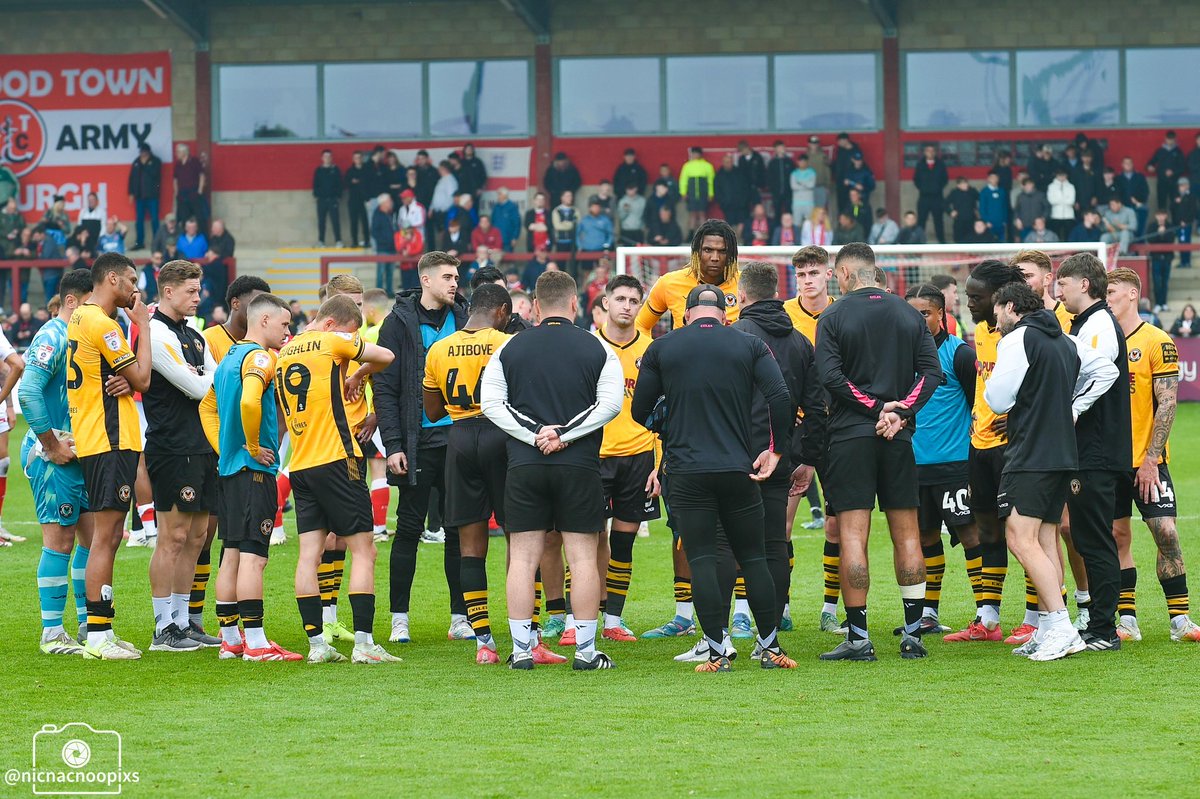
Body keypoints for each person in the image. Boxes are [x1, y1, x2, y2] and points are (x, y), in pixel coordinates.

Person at [629, 283, 795, 673]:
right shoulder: (747, 344)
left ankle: (719, 652)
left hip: (687, 471)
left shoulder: (662, 346)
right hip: (738, 468)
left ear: (685, 315)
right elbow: (781, 397)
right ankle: (770, 648)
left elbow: (640, 410)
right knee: (753, 557)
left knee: (702, 558)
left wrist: (669, 425)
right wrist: (775, 450)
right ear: (724, 315)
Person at [481, 270, 624, 670]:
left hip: (526, 463)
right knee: (582, 558)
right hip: (578, 464)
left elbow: (490, 404)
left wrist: (534, 435)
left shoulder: (509, 348)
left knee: (523, 558)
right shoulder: (598, 348)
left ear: (537, 307)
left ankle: (522, 651)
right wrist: (564, 435)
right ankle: (585, 651)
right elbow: (610, 405)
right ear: (576, 304)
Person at [814, 243, 942, 662]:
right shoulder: (909, 313)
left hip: (850, 436)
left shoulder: (832, 315)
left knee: (853, 535)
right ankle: (912, 635)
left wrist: (874, 408)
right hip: (899, 438)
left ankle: (859, 638)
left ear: (846, 274)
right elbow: (931, 373)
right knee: (907, 533)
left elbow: (830, 377)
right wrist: (900, 411)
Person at [983, 281, 1115, 661]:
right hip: (1062, 452)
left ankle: (1060, 626)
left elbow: (996, 399)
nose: (996, 321)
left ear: (1010, 307)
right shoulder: (1066, 340)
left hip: (1031, 453)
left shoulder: (1017, 340)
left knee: (1020, 538)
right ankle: (1049, 628)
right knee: (1044, 538)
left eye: (997, 313)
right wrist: (1071, 407)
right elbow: (1105, 369)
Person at [275, 294, 398, 664]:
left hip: (301, 463)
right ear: (331, 324)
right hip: (338, 458)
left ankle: (316, 646)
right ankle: (363, 644)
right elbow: (386, 357)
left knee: (308, 555)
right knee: (364, 550)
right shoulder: (331, 341)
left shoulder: (285, 350)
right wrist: (359, 371)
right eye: (349, 332)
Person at [375, 252, 473, 644]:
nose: (454, 283)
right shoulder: (397, 322)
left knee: (458, 530)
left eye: (457, 277)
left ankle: (460, 616)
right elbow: (384, 388)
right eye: (448, 277)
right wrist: (394, 443)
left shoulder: (466, 319)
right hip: (416, 443)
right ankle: (400, 619)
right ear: (426, 280)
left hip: (461, 439)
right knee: (409, 529)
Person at [198, 292, 299, 661]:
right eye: (285, 324)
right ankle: (256, 643)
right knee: (255, 557)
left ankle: (231, 640)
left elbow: (206, 406)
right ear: (265, 321)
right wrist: (254, 446)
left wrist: (225, 447)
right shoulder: (260, 357)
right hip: (253, 471)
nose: (288, 331)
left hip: (229, 470)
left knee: (232, 554)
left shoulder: (229, 359)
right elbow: (249, 401)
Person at [420, 283, 516, 665]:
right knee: (521, 539)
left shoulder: (439, 348)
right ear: (503, 312)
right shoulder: (505, 343)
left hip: (459, 439)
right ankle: (528, 630)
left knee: (470, 546)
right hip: (501, 434)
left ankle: (483, 643)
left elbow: (430, 411)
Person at [732, 262, 826, 645]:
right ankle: (769, 635)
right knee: (774, 542)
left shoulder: (735, 335)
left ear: (741, 295)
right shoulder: (800, 342)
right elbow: (816, 407)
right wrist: (806, 457)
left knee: (729, 542)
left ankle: (725, 629)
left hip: (736, 456)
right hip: (782, 456)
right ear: (776, 293)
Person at [1105, 268, 1200, 643]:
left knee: (1167, 532)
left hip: (1148, 461)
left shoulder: (1158, 341)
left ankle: (1180, 618)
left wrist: (1151, 459)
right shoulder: (1099, 340)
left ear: (1132, 294)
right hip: (1108, 462)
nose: (1107, 296)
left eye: (1112, 290)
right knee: (1117, 536)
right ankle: (1126, 619)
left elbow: (1168, 403)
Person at [68, 253, 153, 660]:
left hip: (94, 436)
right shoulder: (105, 324)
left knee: (110, 535)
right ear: (112, 278)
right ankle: (98, 636)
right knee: (107, 536)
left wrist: (120, 375)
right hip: (109, 438)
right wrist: (145, 329)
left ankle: (101, 628)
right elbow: (143, 380)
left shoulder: (80, 317)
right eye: (132, 280)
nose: (136, 288)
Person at [943, 261, 1027, 644]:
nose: (968, 302)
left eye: (976, 297)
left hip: (1015, 448)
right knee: (987, 529)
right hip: (979, 445)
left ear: (999, 297)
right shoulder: (978, 331)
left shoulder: (1026, 331)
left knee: (1024, 534)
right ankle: (988, 619)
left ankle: (1037, 617)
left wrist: (1022, 416)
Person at [142, 261, 220, 652]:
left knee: (197, 537)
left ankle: (182, 620)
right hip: (172, 445)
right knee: (172, 536)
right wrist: (207, 379)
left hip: (204, 444)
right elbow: (197, 386)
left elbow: (217, 380)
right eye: (191, 291)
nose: (197, 297)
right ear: (168, 291)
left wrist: (208, 379)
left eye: (198, 290)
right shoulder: (154, 333)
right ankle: (162, 628)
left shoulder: (194, 334)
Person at [1058, 253, 1132, 651]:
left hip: (1097, 450)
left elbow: (1101, 374)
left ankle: (1104, 629)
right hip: (1091, 449)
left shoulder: (1100, 322)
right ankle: (1099, 624)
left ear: (1084, 284)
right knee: (1088, 536)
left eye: (1063, 284)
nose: (1059, 292)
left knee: (1096, 539)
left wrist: (1070, 410)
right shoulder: (1088, 322)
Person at [902, 284, 979, 635]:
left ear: (940, 314)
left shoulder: (959, 354)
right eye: (911, 313)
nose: (917, 320)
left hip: (955, 465)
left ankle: (986, 611)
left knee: (970, 535)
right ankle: (928, 613)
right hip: (912, 465)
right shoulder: (899, 356)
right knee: (924, 537)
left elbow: (977, 406)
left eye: (924, 313)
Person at [22, 268, 91, 654]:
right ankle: (51, 633)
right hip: (53, 451)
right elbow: (29, 391)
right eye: (90, 302)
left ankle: (86, 624)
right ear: (71, 301)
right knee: (60, 539)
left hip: (79, 450)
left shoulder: (83, 336)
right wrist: (50, 444)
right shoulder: (52, 335)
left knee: (92, 537)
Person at [593, 275, 662, 643]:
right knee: (586, 539)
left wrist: (659, 463)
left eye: (633, 300)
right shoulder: (588, 347)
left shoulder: (652, 350)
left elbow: (663, 412)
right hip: (593, 456)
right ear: (605, 302)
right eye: (619, 298)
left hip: (638, 458)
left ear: (640, 305)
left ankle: (613, 620)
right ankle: (579, 620)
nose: (626, 306)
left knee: (623, 541)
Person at [636, 219, 741, 334]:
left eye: (723, 251)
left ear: (731, 254)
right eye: (708, 250)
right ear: (696, 252)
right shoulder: (669, 283)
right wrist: (656, 351)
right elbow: (641, 325)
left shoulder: (745, 285)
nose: (715, 257)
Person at [128, 143, 162, 250]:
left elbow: (155, 174)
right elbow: (131, 178)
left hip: (152, 196)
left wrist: (145, 165)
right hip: (139, 196)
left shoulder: (156, 161)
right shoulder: (136, 162)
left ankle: (157, 243)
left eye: (143, 152)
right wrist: (131, 193)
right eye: (140, 152)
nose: (141, 154)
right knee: (139, 220)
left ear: (148, 152)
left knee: (154, 220)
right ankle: (140, 243)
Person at [913, 144, 949, 242]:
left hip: (937, 197)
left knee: (938, 221)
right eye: (928, 150)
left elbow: (945, 179)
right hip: (924, 197)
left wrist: (937, 188)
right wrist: (923, 188)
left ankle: (942, 242)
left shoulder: (941, 164)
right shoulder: (920, 164)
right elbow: (916, 180)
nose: (930, 153)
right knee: (921, 221)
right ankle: (919, 242)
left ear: (935, 152)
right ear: (925, 152)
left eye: (932, 151)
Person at [1148, 131, 1188, 212]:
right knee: (1161, 204)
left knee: (1175, 204)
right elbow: (1151, 162)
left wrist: (1173, 172)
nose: (1170, 141)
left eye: (1172, 139)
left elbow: (1183, 167)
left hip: (1174, 182)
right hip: (1162, 181)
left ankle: (1175, 223)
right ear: (1165, 139)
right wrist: (1150, 166)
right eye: (1168, 139)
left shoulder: (1178, 151)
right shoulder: (1160, 151)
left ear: (1175, 139)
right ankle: (1162, 223)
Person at [680, 147, 715, 235]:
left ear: (700, 154)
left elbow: (711, 181)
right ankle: (691, 233)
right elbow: (683, 180)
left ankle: (703, 233)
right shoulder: (687, 166)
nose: (695, 155)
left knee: (702, 213)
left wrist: (711, 193)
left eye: (696, 153)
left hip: (703, 192)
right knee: (692, 214)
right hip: (691, 193)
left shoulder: (707, 166)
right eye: (693, 153)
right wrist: (683, 192)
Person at [1145, 209, 1175, 312]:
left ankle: (1164, 303)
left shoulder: (1170, 226)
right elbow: (1150, 240)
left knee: (1165, 281)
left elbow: (1171, 239)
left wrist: (1164, 233)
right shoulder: (1152, 226)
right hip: (1156, 257)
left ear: (1166, 216)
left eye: (1163, 215)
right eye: (1159, 215)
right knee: (1157, 281)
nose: (1161, 217)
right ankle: (1158, 303)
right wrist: (1158, 233)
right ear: (1156, 216)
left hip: (1167, 257)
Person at [173, 144, 206, 232]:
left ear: (184, 152)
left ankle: (204, 240)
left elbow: (202, 176)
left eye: (178, 152)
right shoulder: (178, 164)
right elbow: (175, 179)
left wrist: (200, 190)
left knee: (200, 218)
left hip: (194, 192)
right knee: (184, 218)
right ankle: (186, 240)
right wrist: (176, 192)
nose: (176, 154)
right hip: (182, 194)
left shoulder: (194, 161)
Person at [715, 154, 749, 235]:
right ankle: (732, 242)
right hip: (727, 205)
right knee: (729, 225)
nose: (728, 164)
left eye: (730, 162)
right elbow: (717, 191)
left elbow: (746, 188)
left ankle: (740, 240)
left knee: (741, 222)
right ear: (723, 163)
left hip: (740, 205)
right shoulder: (719, 175)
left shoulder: (739, 173)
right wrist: (723, 203)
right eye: (726, 162)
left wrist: (744, 201)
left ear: (732, 162)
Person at [371, 194, 398, 295]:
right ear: (383, 203)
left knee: (390, 271)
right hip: (382, 248)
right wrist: (384, 240)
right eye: (389, 201)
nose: (391, 203)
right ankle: (379, 292)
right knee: (381, 272)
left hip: (392, 248)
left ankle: (389, 291)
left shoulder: (391, 213)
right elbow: (374, 231)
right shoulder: (377, 214)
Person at [344, 151, 372, 247]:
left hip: (365, 200)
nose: (358, 159)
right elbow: (346, 183)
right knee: (353, 221)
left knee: (365, 221)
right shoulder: (350, 171)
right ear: (353, 159)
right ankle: (354, 241)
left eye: (359, 157)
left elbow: (369, 183)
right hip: (353, 200)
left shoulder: (367, 170)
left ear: (362, 158)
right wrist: (353, 182)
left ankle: (367, 241)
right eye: (356, 158)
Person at [1117, 157, 1150, 237]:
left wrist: (1139, 201)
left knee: (1140, 226)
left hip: (1138, 205)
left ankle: (1140, 243)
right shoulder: (1118, 178)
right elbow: (1117, 194)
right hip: (1124, 206)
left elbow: (1146, 191)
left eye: (1130, 163)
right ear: (1122, 165)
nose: (1128, 165)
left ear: (1133, 164)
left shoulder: (1140, 176)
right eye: (1125, 163)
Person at [766, 141, 796, 223]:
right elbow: (769, 178)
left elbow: (794, 176)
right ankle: (777, 232)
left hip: (788, 193)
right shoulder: (772, 163)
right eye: (780, 147)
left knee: (789, 212)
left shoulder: (789, 161)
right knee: (777, 214)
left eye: (783, 147)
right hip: (776, 193)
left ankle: (790, 232)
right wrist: (773, 189)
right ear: (775, 149)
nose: (782, 149)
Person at [1172, 177, 1196, 269]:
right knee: (1181, 242)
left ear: (1187, 186)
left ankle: (1187, 261)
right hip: (1178, 224)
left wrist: (1186, 221)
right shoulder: (1176, 197)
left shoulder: (1191, 197)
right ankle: (1182, 261)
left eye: (1183, 185)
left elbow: (1193, 211)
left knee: (1186, 242)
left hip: (1187, 224)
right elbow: (1172, 210)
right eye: (1180, 185)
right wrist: (1176, 202)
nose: (1181, 187)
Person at [946, 176, 979, 243]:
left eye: (965, 183)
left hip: (971, 220)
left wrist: (978, 211)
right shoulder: (954, 193)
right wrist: (950, 212)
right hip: (959, 221)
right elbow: (944, 204)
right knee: (959, 240)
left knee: (971, 239)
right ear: (958, 185)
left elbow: (983, 200)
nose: (964, 185)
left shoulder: (972, 191)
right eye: (962, 184)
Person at [1047, 169, 1077, 241]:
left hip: (1068, 215)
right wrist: (1064, 198)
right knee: (1056, 236)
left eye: (1063, 175)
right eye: (1060, 175)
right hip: (1056, 215)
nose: (1062, 177)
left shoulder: (1071, 186)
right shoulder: (1051, 186)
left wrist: (1059, 199)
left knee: (1068, 236)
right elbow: (1051, 200)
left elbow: (1071, 201)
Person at [978, 171, 1008, 240]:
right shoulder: (984, 191)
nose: (994, 179)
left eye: (996, 178)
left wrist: (1004, 220)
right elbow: (982, 208)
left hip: (1001, 222)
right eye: (992, 178)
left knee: (1001, 242)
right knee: (990, 242)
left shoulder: (1002, 191)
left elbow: (1004, 207)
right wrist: (986, 221)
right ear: (988, 179)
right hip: (989, 223)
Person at [490, 187, 521, 253]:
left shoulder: (512, 207)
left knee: (507, 261)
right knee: (495, 261)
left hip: (507, 240)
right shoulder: (496, 207)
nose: (498, 196)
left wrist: (514, 238)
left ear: (505, 195)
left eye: (499, 194)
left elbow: (517, 223)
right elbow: (492, 222)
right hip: (495, 240)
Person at [789, 154, 817, 223]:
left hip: (809, 202)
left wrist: (800, 183)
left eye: (804, 161)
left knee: (810, 223)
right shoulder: (794, 173)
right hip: (797, 202)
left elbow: (811, 185)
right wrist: (806, 184)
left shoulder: (812, 172)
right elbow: (793, 186)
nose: (803, 163)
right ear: (798, 162)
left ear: (807, 162)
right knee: (796, 223)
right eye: (801, 161)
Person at [551, 191, 578, 257]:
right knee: (561, 264)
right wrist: (571, 224)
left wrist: (564, 223)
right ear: (562, 198)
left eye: (571, 196)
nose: (570, 198)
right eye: (567, 196)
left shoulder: (575, 210)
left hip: (573, 241)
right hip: (560, 241)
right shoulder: (556, 211)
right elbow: (557, 226)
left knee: (573, 264)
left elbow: (577, 225)